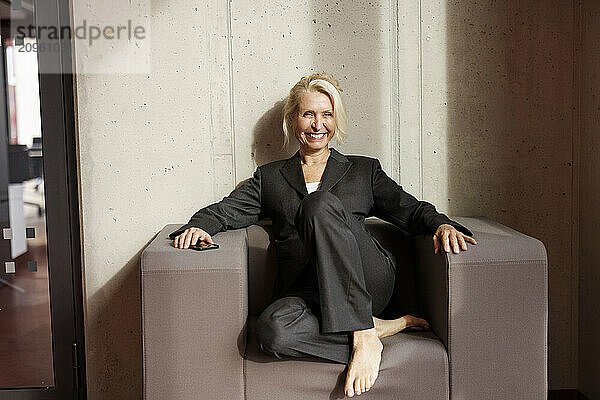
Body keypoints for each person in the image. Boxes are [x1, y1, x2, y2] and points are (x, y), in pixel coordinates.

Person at [170, 73, 477, 398]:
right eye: (308, 114)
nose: (318, 124)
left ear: (336, 119)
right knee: (272, 331)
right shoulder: (270, 178)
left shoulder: (363, 170)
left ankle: (361, 325)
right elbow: (228, 209)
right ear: (292, 120)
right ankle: (373, 330)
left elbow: (410, 210)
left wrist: (441, 224)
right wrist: (200, 225)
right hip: (308, 291)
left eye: (326, 114)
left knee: (318, 205)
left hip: (366, 278)